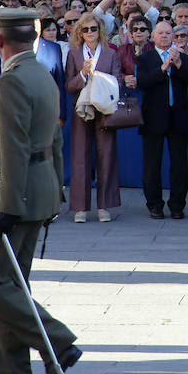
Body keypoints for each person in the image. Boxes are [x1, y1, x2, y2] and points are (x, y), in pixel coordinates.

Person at [0, 7, 80, 374]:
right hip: (40, 187)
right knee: (12, 284)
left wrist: (8, 206)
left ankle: (57, 341)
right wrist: (56, 189)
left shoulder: (13, 80)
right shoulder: (42, 73)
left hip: (13, 192)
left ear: (0, 41)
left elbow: (14, 148)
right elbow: (56, 139)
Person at [136, 21, 188, 219]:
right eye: (161, 33)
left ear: (173, 36)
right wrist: (163, 68)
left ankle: (177, 205)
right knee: (151, 164)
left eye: (168, 33)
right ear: (153, 36)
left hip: (178, 116)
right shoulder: (145, 58)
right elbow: (143, 83)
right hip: (153, 117)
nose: (164, 36)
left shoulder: (183, 57)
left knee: (179, 164)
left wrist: (178, 65)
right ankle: (154, 204)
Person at [63, 14, 122, 224]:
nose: (90, 33)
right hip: (81, 110)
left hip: (104, 109)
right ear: (80, 32)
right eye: (86, 29)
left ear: (100, 31)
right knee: (80, 158)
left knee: (106, 157)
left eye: (93, 29)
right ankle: (81, 208)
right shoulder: (73, 53)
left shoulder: (109, 53)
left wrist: (101, 82)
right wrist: (83, 74)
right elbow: (69, 85)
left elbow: (118, 82)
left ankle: (104, 206)